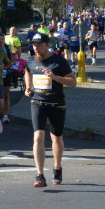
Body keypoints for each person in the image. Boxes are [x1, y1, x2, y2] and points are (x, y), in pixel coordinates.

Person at [23, 33, 77, 188]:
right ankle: (40, 175)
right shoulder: (31, 60)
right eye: (34, 45)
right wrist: (28, 87)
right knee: (38, 136)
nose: (36, 48)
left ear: (48, 45)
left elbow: (73, 82)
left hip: (56, 104)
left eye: (39, 45)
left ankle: (57, 167)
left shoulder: (59, 61)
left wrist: (55, 77)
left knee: (56, 138)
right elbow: (27, 72)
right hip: (37, 102)